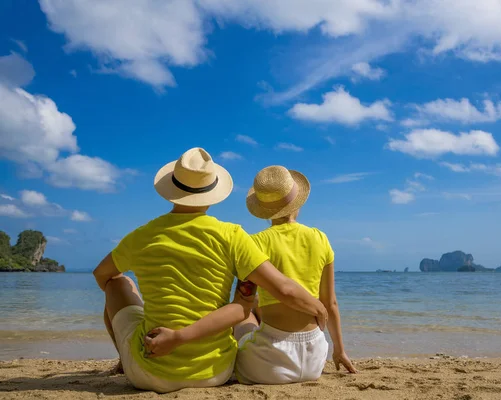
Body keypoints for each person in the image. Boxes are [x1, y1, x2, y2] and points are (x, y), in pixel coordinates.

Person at [93, 148, 327, 393]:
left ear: (171, 191)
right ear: (213, 193)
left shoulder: (141, 237)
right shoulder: (232, 235)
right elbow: (282, 289)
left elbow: (101, 273)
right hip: (216, 373)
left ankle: (125, 358)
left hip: (149, 372)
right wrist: (317, 306)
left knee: (118, 283)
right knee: (247, 304)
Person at [234, 165, 357, 385]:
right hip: (314, 360)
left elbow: (240, 305)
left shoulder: (254, 243)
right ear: (296, 203)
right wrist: (339, 351)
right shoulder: (320, 238)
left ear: (262, 208)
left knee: (248, 314)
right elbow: (330, 303)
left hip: (269, 364)